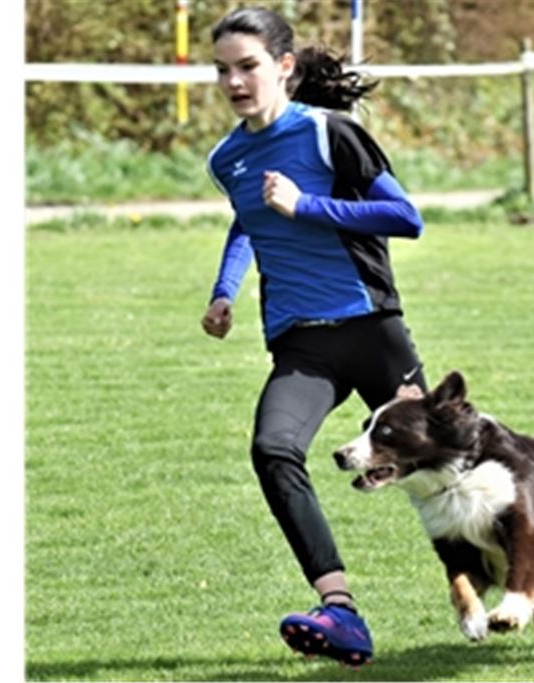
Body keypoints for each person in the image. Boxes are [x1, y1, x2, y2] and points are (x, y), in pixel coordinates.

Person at [200, 6, 427, 668]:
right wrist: (223, 290)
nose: (236, 82)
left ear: (284, 67)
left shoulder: (331, 134)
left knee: (447, 468)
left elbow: (405, 217)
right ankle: (341, 611)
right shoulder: (227, 158)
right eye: (223, 71)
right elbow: (247, 221)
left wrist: (307, 206)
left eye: (248, 66)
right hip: (301, 343)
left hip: (371, 326)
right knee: (273, 448)